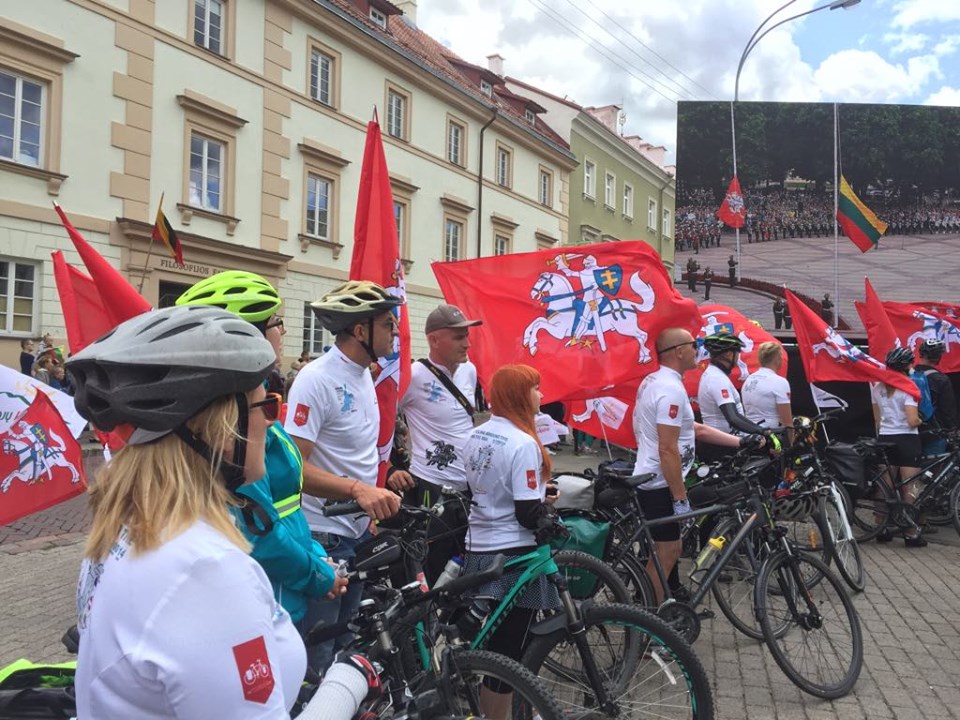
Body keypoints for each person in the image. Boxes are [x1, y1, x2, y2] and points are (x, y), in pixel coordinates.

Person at [68, 305, 308, 716]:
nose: (272, 422)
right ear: (215, 428)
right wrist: (346, 686)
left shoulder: (131, 526)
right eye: (263, 405)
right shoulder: (205, 571)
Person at [176, 271, 341, 630]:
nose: (282, 332)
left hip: (288, 585)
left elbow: (284, 508)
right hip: (269, 598)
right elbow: (257, 530)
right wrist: (318, 575)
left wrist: (315, 555)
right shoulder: (235, 420)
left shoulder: (257, 400)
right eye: (276, 322)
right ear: (248, 336)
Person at [284, 280, 403, 671]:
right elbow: (293, 467)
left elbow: (356, 453)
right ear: (359, 330)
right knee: (318, 658)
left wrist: (368, 504)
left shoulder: (365, 373)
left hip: (355, 532)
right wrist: (357, 490)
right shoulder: (317, 379)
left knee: (347, 648)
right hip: (322, 535)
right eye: (388, 323)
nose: (396, 331)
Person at [633, 328, 759, 602]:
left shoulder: (658, 381)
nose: (698, 349)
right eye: (694, 344)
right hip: (659, 482)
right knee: (667, 552)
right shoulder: (669, 389)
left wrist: (740, 443)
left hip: (656, 477)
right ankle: (647, 622)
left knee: (668, 550)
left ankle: (651, 609)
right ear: (678, 351)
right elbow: (667, 448)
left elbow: (695, 429)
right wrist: (680, 499)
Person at [462, 364, 559, 716]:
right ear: (520, 394)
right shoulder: (522, 443)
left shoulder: (476, 434)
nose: (541, 395)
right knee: (508, 653)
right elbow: (526, 514)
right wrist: (551, 518)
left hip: (479, 548)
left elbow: (476, 489)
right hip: (514, 554)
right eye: (536, 388)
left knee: (494, 645)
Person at [391, 303, 482, 585]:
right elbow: (378, 421)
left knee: (462, 564)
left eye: (467, 336)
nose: (467, 343)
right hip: (430, 484)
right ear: (434, 340)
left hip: (467, 487)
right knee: (429, 566)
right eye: (458, 337)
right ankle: (418, 624)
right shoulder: (414, 375)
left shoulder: (470, 371)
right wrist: (393, 466)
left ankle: (451, 624)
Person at [872, 348, 925, 547]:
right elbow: (912, 421)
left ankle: (881, 528)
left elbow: (877, 419)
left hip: (885, 437)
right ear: (906, 366)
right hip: (907, 439)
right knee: (910, 486)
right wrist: (921, 419)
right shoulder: (908, 387)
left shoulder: (877, 387)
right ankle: (911, 533)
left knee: (884, 486)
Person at [696, 331, 774, 463]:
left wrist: (759, 430)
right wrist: (763, 431)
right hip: (720, 447)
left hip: (724, 442)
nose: (738, 358)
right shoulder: (716, 378)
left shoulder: (716, 375)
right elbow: (733, 417)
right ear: (728, 354)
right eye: (737, 353)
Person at [741, 342, 793, 444]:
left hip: (748, 434)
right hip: (770, 438)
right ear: (777, 360)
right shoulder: (779, 382)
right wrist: (791, 444)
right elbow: (787, 422)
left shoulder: (749, 379)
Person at [915, 339, 957, 456]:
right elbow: (948, 410)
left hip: (909, 430)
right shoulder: (941, 379)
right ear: (939, 358)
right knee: (934, 468)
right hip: (934, 431)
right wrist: (952, 429)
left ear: (921, 354)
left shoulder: (908, 376)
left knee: (912, 469)